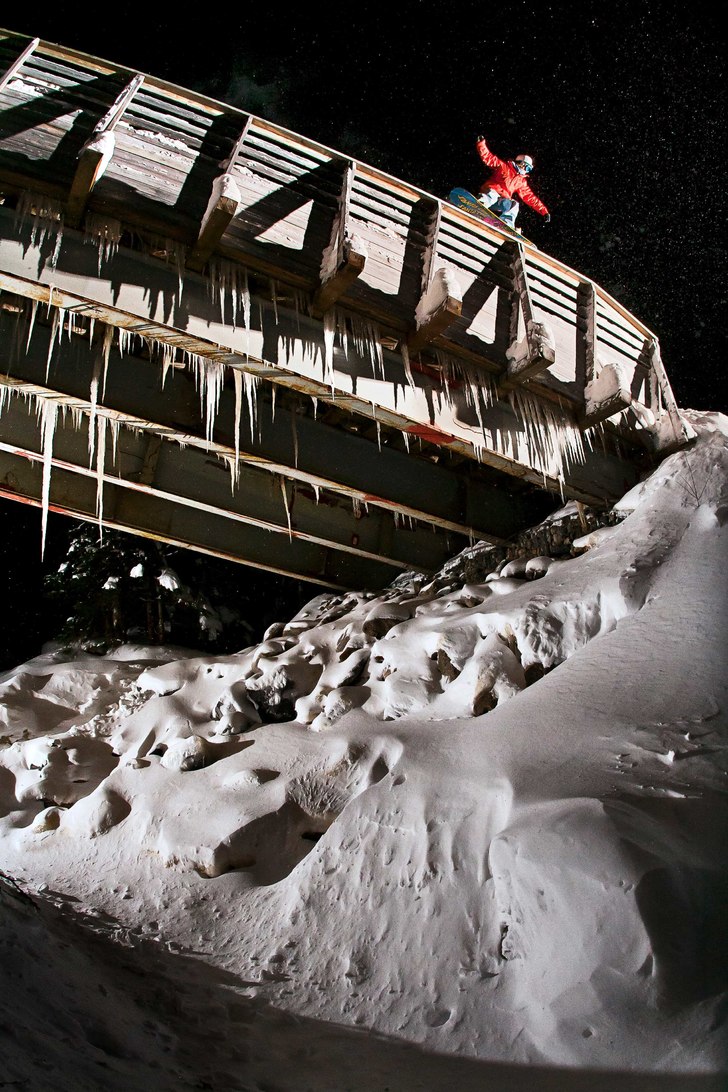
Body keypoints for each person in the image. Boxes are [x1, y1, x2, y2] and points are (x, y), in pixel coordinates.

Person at [475, 135, 551, 228]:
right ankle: (479, 204)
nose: (527, 170)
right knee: (493, 194)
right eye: (527, 167)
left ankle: (507, 224)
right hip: (490, 193)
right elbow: (488, 158)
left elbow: (530, 197)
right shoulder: (503, 167)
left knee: (514, 204)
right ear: (520, 163)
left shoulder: (521, 182)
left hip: (500, 201)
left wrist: (543, 211)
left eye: (529, 169)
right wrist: (481, 144)